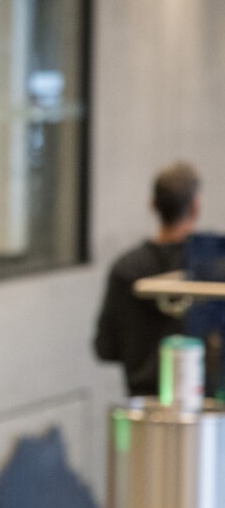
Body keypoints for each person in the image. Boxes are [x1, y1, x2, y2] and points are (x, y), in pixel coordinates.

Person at [94, 161, 201, 397]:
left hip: (145, 411)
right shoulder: (211, 269)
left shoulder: (126, 269)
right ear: (195, 207)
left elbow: (105, 348)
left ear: (153, 205)